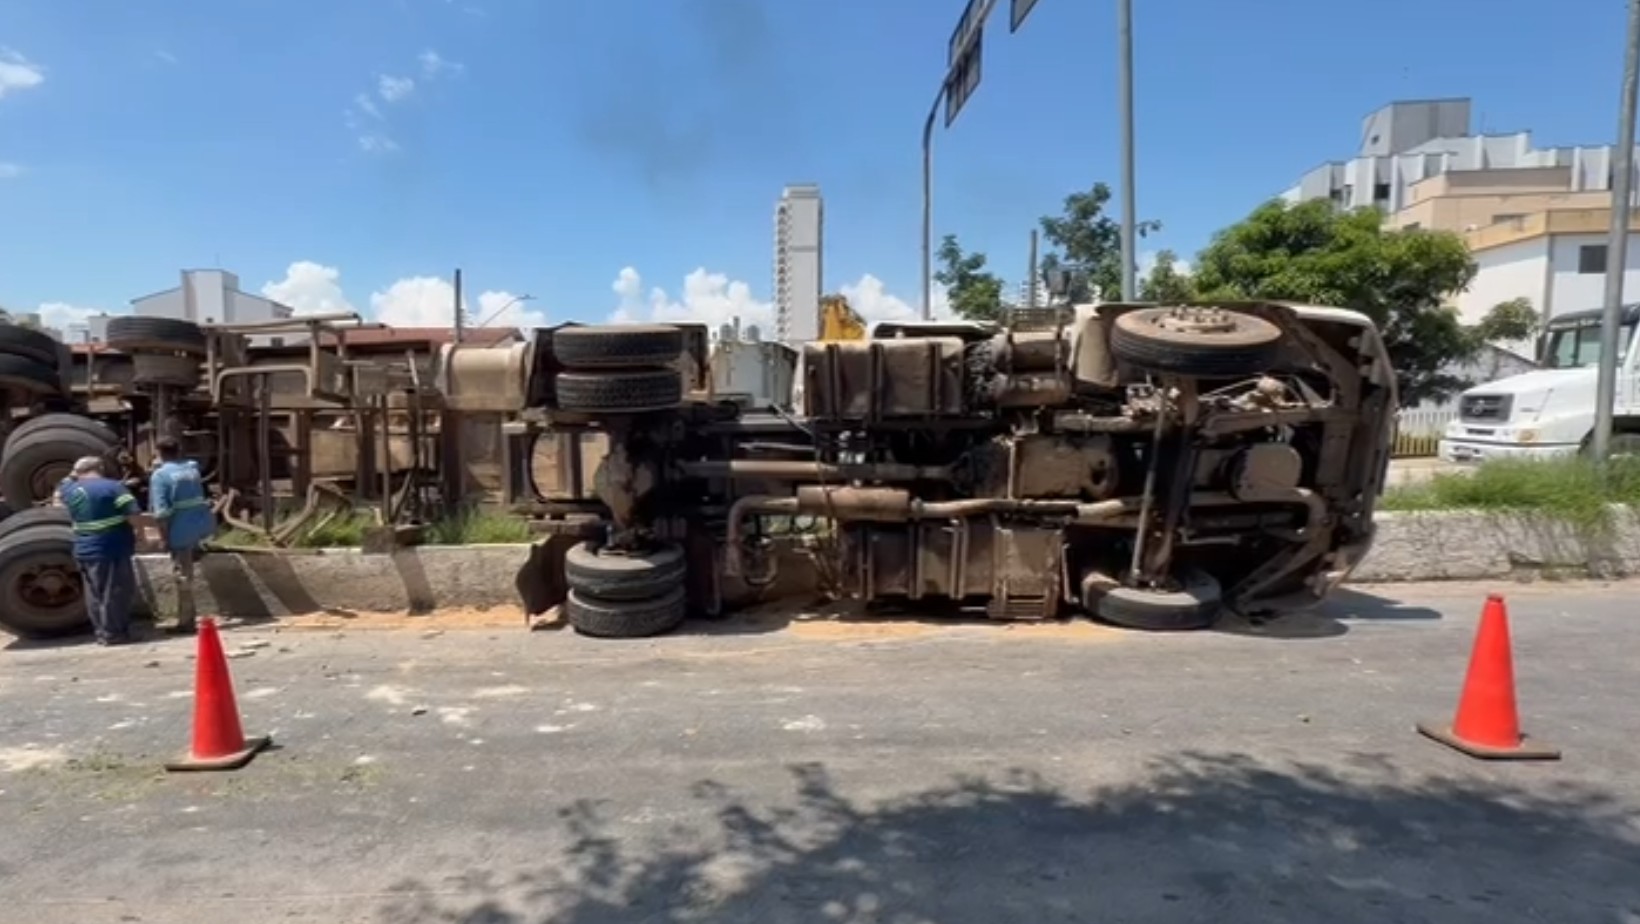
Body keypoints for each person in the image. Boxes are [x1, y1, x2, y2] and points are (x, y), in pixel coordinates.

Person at [57, 456, 142, 645]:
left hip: (83, 548)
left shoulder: (68, 489)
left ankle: (102, 633)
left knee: (94, 594)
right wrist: (141, 534)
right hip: (111, 547)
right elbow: (133, 514)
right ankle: (115, 634)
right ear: (101, 468)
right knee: (115, 592)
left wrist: (74, 473)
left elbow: (62, 487)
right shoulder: (114, 487)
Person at [148, 436, 215, 634]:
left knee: (183, 575)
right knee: (188, 571)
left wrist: (163, 538)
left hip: (180, 530)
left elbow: (162, 513)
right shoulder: (191, 468)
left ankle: (186, 621)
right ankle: (187, 617)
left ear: (159, 453)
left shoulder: (160, 476)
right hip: (199, 525)